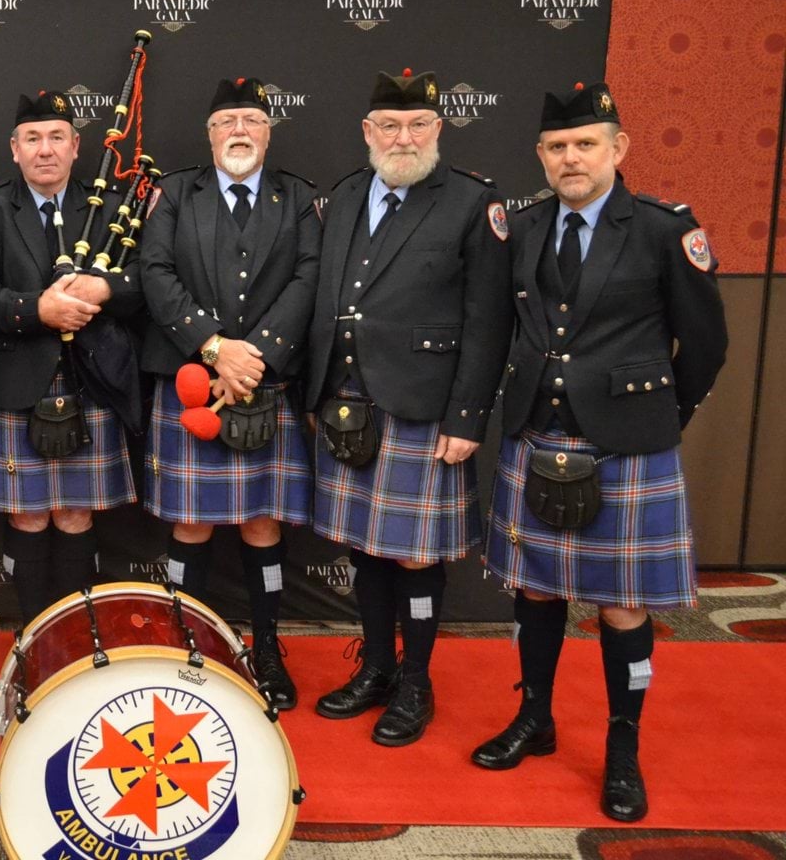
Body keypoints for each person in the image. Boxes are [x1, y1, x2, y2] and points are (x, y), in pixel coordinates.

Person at [471, 81, 726, 822]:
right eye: (556, 146)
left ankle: (623, 746)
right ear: (541, 156)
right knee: (537, 589)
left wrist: (659, 417)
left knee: (621, 605)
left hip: (627, 446)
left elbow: (705, 344)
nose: (570, 157)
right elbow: (498, 326)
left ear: (619, 148)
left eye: (586, 143)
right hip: (535, 432)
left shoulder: (658, 229)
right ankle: (536, 717)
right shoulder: (517, 228)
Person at [306, 68, 512, 744]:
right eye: (389, 125)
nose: (403, 137)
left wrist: (467, 417)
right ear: (368, 132)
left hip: (424, 405)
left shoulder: (469, 203)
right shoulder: (342, 197)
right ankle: (376, 667)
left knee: (418, 555)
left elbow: (489, 322)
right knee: (366, 548)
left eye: (416, 124)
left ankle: (416, 680)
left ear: (437, 130)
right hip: (348, 403)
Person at [138, 77, 321, 709]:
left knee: (262, 522)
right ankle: (182, 640)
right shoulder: (173, 194)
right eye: (226, 121)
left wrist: (257, 354)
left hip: (265, 382)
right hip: (192, 378)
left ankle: (266, 646)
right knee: (191, 521)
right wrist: (215, 347)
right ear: (209, 134)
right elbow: (153, 273)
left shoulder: (296, 197)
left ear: (269, 130)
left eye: (251, 119)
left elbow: (309, 276)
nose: (238, 130)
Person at [0, 90, 142, 624]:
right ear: (14, 149)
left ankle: (75, 633)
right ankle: (33, 635)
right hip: (16, 382)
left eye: (57, 137)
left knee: (76, 515)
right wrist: (38, 310)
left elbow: (144, 287)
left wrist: (104, 291)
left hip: (92, 381)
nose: (46, 149)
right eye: (33, 138)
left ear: (76, 146)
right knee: (28, 517)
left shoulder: (113, 208)